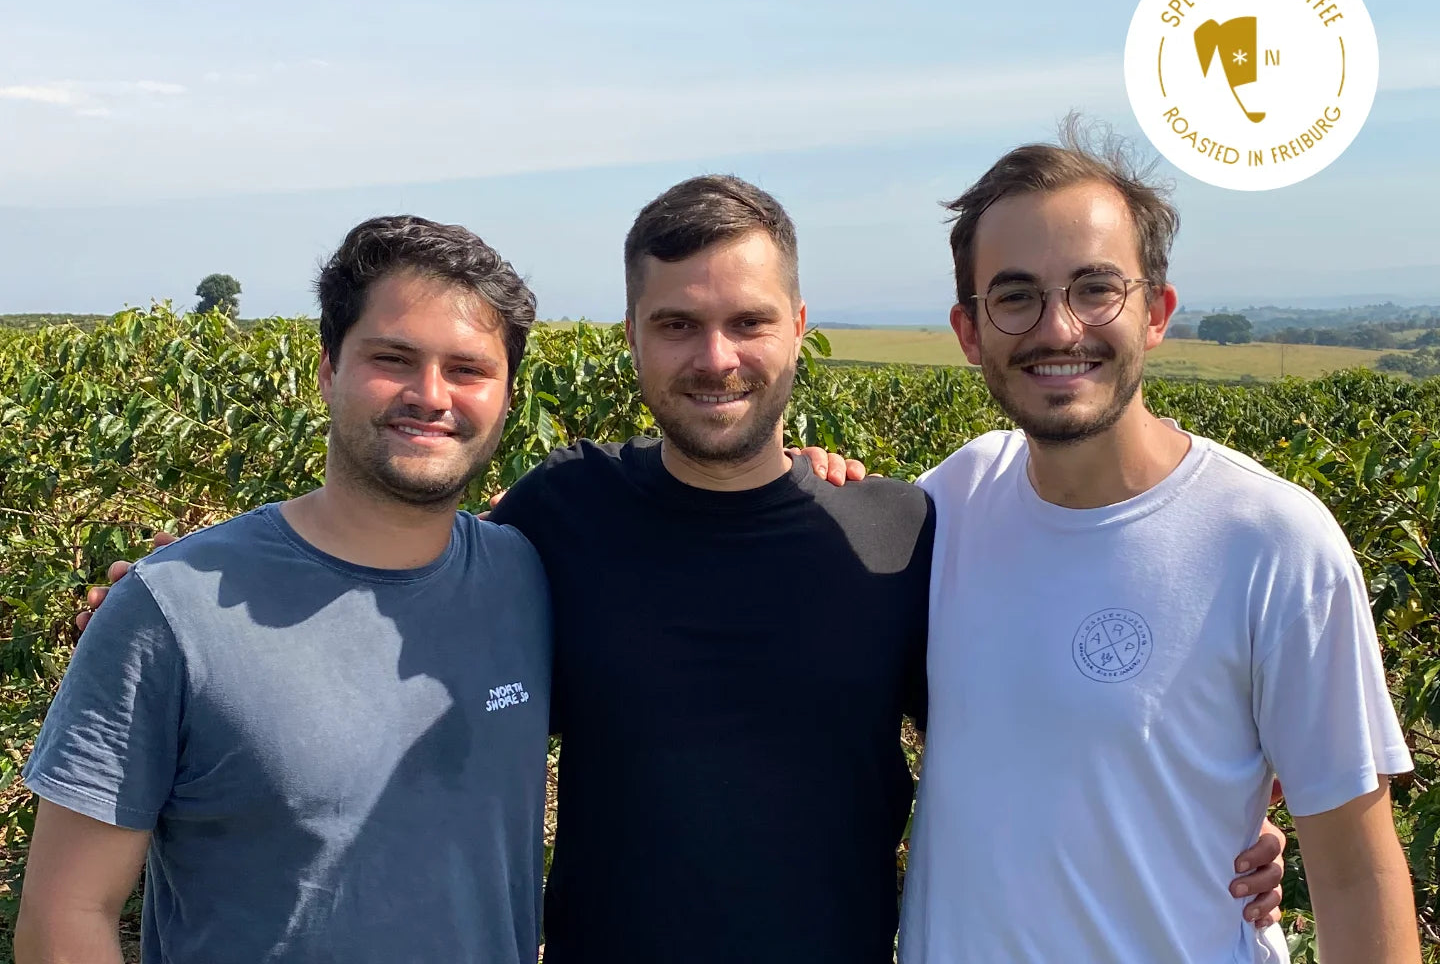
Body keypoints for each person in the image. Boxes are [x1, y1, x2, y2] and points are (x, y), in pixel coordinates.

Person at [70, 177, 1287, 962]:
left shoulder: (898, 533)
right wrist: (189, 586)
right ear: (635, 340)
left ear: (799, 329)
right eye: (677, 326)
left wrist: (1215, 830)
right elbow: (391, 537)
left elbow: (1026, 738)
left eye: (748, 322)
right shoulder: (559, 517)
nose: (718, 358)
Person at [898, 125, 1420, 963]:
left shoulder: (1272, 543)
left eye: (1096, 287)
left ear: (1158, 314)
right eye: (1016, 294)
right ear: (970, 331)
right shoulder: (948, 503)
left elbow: (1358, 876)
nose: (1059, 328)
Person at [17, 217, 553, 964]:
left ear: (507, 395)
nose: (431, 395)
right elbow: (66, 915)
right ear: (329, 369)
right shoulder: (170, 608)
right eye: (392, 358)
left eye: (468, 370)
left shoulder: (529, 577)